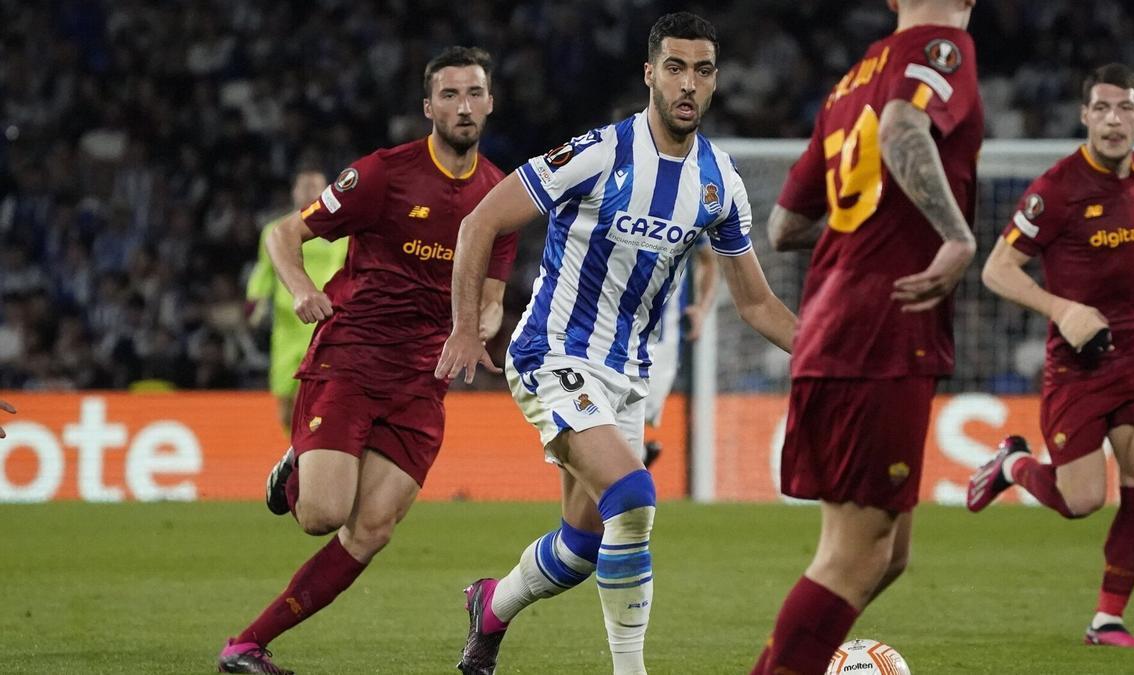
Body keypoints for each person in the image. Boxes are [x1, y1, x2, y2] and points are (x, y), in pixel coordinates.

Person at [436, 12, 795, 675]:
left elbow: (755, 302)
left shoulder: (719, 182)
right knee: (634, 497)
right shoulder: (599, 153)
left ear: (716, 82)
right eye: (677, 67)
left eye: (704, 70)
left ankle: (490, 606)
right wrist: (463, 323)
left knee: (581, 544)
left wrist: (827, 351)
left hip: (626, 374)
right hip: (553, 353)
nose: (689, 84)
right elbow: (481, 219)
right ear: (650, 74)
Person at [217, 46, 517, 674]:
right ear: (428, 106)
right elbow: (284, 234)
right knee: (321, 515)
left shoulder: (501, 194)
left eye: (474, 94)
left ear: (490, 102)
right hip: (354, 356)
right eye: (450, 95)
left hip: (423, 379)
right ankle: (298, 464)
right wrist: (303, 289)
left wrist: (479, 329)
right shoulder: (383, 174)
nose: (463, 106)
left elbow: (491, 300)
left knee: (372, 530)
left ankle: (246, 645)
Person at [753, 1, 981, 672]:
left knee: (886, 551)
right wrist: (956, 233)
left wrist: (866, 233)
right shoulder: (942, 49)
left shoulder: (852, 78)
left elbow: (785, 226)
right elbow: (904, 123)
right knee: (854, 555)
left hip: (833, 324)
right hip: (881, 330)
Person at [968, 63, 1134, 649]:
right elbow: (997, 270)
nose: (1113, 120)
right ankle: (1012, 465)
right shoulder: (1056, 189)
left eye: (1124, 108)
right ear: (1084, 115)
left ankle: (1108, 619)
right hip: (1080, 362)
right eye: (1101, 108)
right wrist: (1062, 309)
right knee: (1083, 500)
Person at [246, 166, 348, 431]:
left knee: (324, 398)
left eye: (315, 186)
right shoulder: (275, 230)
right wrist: (254, 301)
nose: (309, 191)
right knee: (284, 402)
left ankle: (314, 454)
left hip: (326, 325)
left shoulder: (342, 231)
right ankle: (295, 452)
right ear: (293, 191)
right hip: (287, 327)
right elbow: (265, 271)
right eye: (304, 186)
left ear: (326, 191)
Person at [643, 241, 718, 466]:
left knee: (634, 417)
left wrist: (702, 309)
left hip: (661, 342)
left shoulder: (690, 209)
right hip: (607, 332)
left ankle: (636, 458)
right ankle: (638, 458)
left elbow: (708, 260)